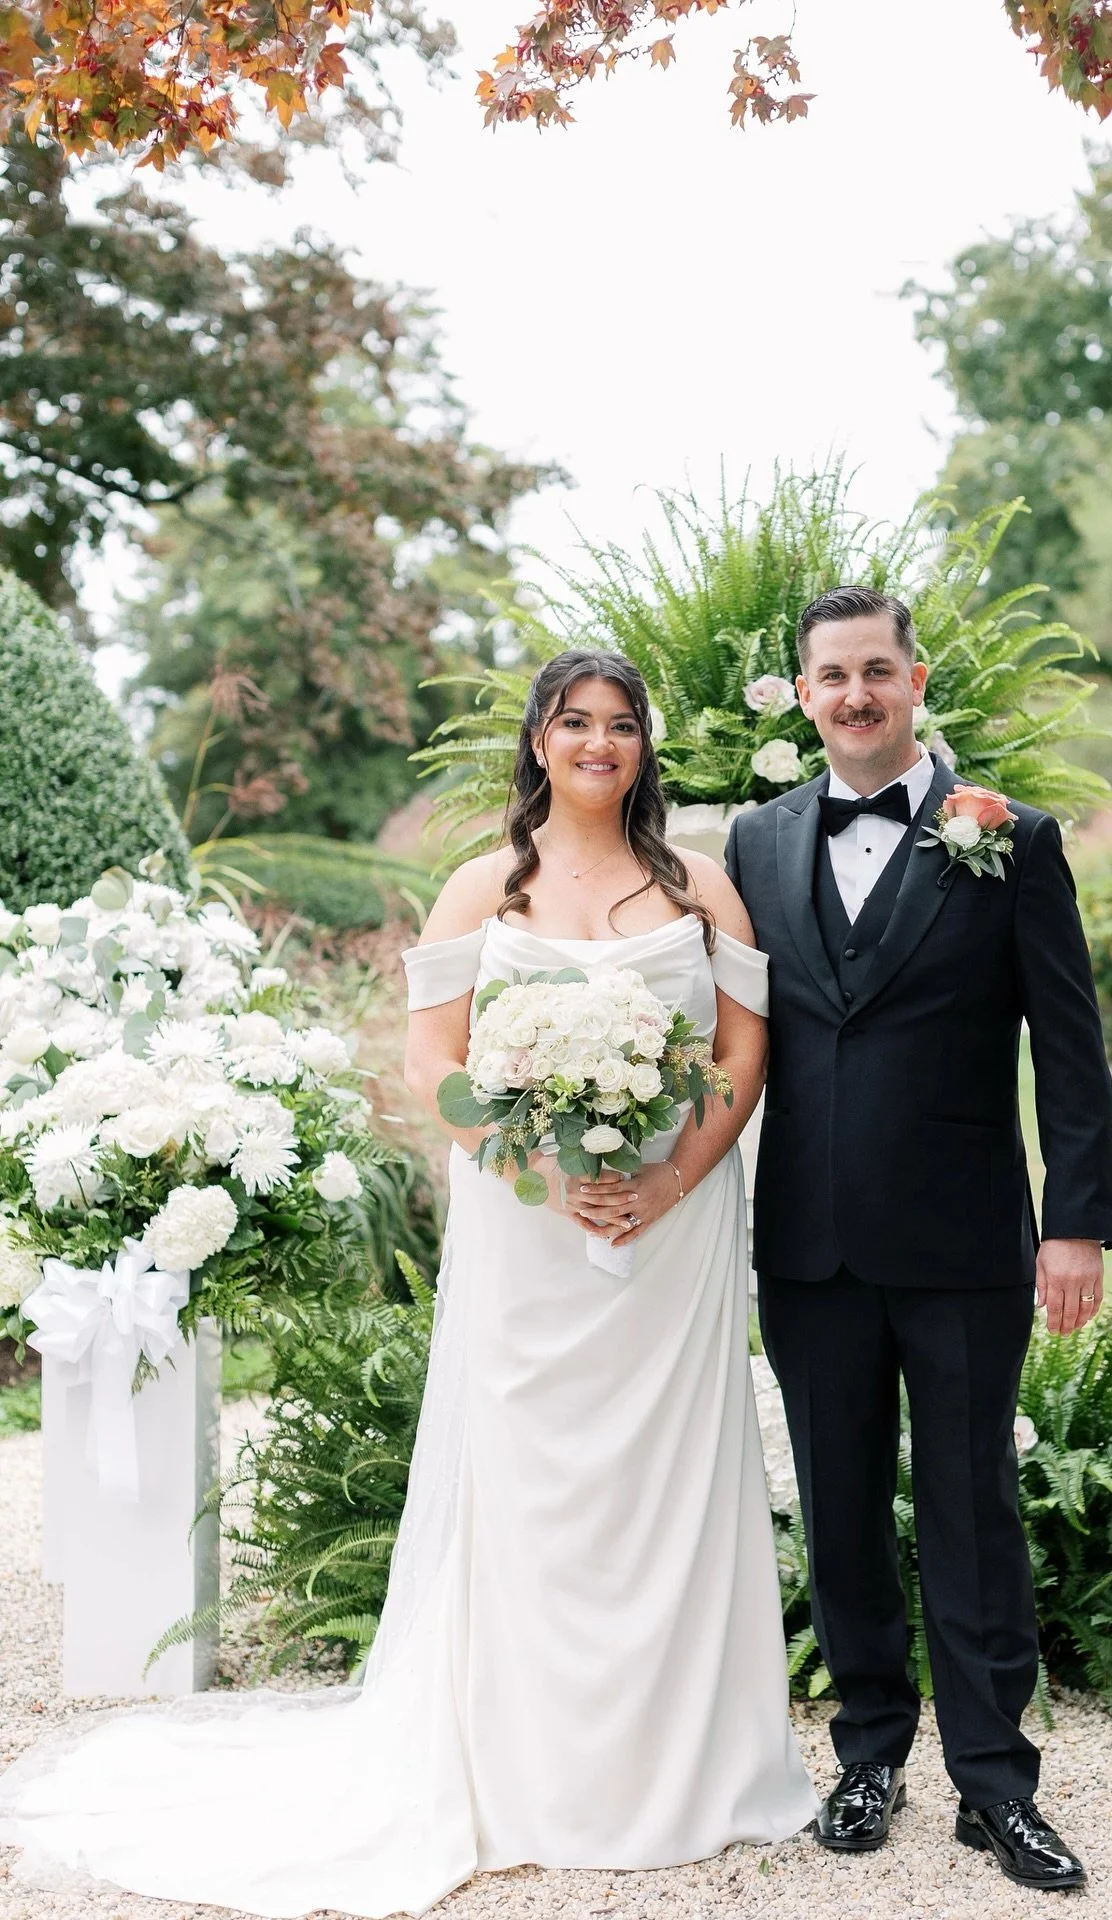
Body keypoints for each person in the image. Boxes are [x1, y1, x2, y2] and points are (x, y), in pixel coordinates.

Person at [0, 649, 817, 1918]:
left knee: (668, 1478)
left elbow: (743, 1046)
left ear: (643, 747)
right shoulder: (482, 888)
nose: (600, 743)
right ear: (539, 741)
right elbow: (433, 1064)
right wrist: (543, 1179)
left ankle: (683, 1769)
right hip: (528, 1234)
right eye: (575, 722)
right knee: (533, 1482)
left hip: (674, 1227)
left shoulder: (697, 886)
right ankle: (519, 1767)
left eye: (620, 725)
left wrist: (669, 1181)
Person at [725, 586, 1112, 1893]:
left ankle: (996, 1786)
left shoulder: (1007, 838)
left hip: (963, 1244)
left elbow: (1068, 1050)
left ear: (915, 679)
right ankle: (868, 1754)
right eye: (830, 675)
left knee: (971, 1509)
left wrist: (1075, 1223)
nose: (854, 695)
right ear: (801, 691)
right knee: (839, 1514)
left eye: (876, 671)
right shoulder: (758, 843)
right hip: (811, 1248)